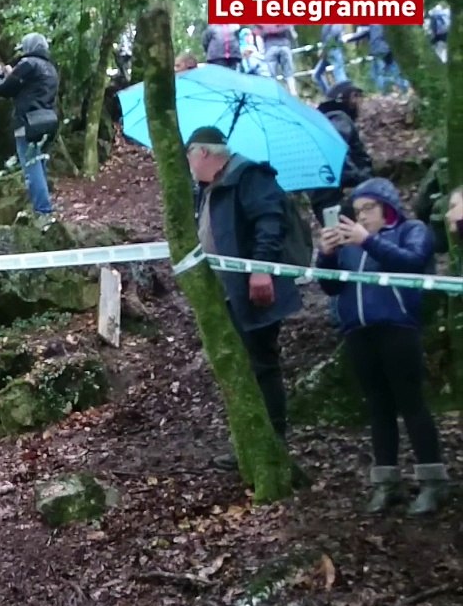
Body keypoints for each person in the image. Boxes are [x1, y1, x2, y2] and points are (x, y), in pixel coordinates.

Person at [315, 178, 448, 515]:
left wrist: (369, 242)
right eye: (357, 211)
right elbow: (330, 288)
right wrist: (327, 255)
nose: (362, 216)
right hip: (357, 332)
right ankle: (386, 482)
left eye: (369, 208)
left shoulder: (410, 230)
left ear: (386, 207)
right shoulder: (351, 243)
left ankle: (433, 481)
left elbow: (412, 262)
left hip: (398, 328)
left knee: (411, 402)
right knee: (377, 408)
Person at [186, 126, 302, 470]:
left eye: (190, 156)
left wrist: (261, 269)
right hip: (227, 293)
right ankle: (250, 442)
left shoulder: (249, 177)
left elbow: (270, 221)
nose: (189, 165)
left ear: (204, 153)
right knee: (241, 367)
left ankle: (272, 444)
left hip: (256, 290)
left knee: (261, 366)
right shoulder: (210, 188)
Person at [0, 32, 59, 218]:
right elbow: (31, 88)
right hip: (48, 123)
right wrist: (12, 73)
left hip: (27, 124)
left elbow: (4, 89)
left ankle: (43, 212)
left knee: (32, 168)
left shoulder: (28, 64)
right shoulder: (50, 68)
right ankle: (43, 209)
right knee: (40, 166)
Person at [309, 81, 372, 225]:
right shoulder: (338, 118)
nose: (360, 103)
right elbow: (333, 150)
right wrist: (359, 181)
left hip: (324, 199)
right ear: (350, 98)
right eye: (357, 97)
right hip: (339, 198)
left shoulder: (322, 122)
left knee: (340, 241)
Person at [345, 26, 409, 96]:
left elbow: (365, 32)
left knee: (379, 74)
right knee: (394, 71)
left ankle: (385, 93)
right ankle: (403, 90)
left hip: (379, 51)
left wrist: (349, 39)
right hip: (388, 49)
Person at [256, 24, 298, 95]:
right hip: (284, 46)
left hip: (270, 48)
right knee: (289, 74)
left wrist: (261, 52)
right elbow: (293, 35)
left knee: (271, 76)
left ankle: (274, 96)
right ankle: (293, 95)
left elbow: (258, 34)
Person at [311, 23, 348, 96]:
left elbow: (334, 34)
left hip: (334, 49)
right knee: (317, 74)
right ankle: (329, 94)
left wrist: (324, 48)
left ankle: (347, 94)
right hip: (328, 50)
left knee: (339, 73)